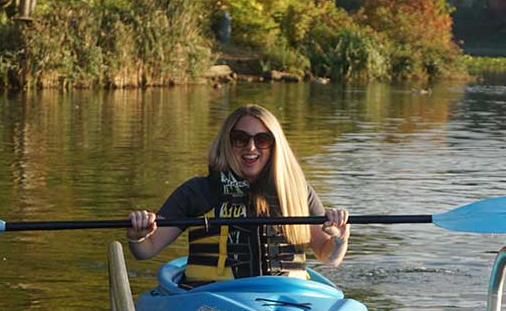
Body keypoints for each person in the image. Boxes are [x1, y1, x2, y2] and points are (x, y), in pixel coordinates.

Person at [127, 104, 349, 284]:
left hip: (288, 299)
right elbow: (147, 249)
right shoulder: (199, 191)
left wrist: (340, 237)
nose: (251, 147)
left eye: (262, 140)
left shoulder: (297, 192)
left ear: (274, 146)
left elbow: (328, 256)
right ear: (227, 142)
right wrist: (138, 236)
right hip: (212, 298)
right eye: (240, 139)